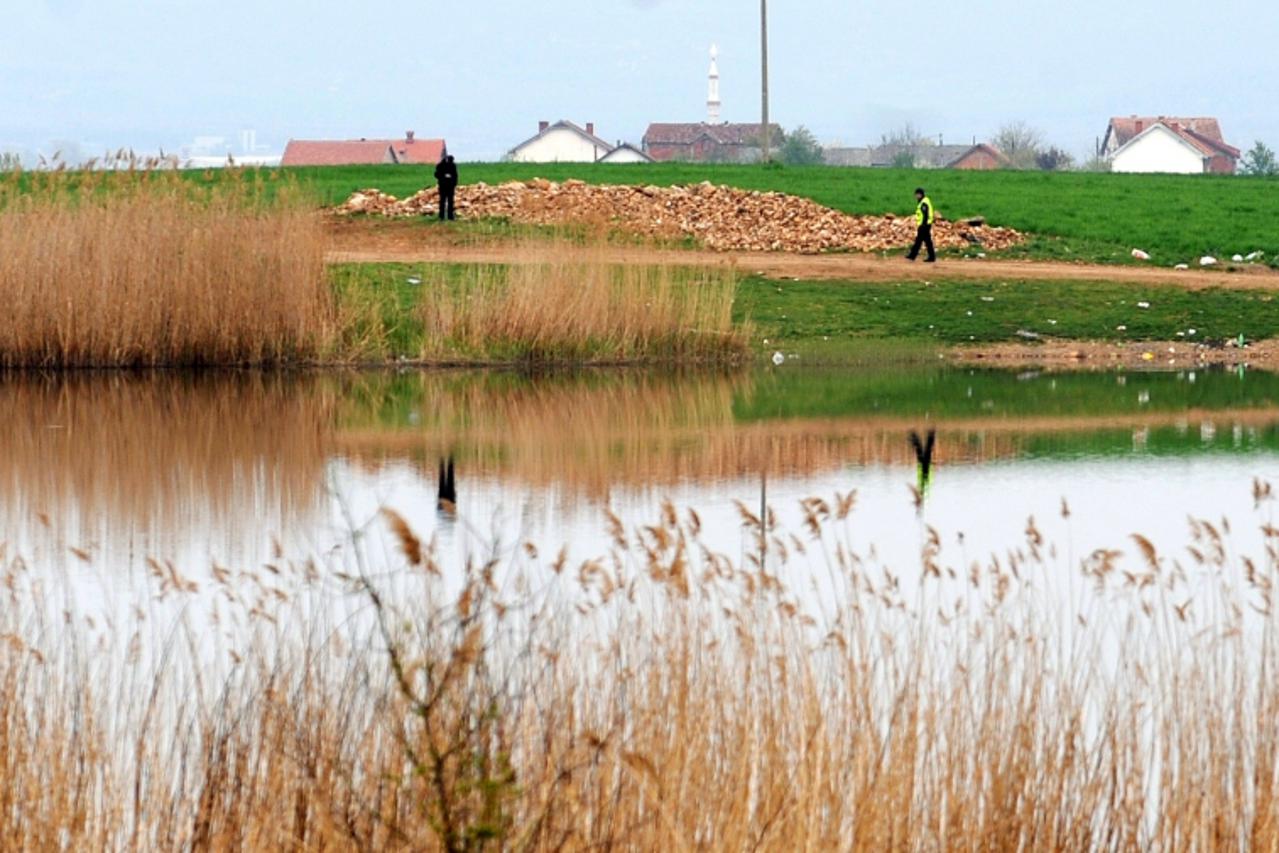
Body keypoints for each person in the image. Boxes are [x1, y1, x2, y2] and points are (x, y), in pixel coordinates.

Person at [906, 187, 936, 262]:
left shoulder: (923, 203)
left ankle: (912, 255)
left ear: (920, 194)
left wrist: (923, 225)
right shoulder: (923, 201)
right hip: (926, 224)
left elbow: (925, 215)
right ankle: (932, 257)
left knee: (919, 241)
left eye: (917, 194)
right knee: (927, 241)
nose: (916, 196)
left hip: (924, 225)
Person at [434, 154, 458, 221]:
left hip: (445, 186)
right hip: (447, 186)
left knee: (444, 201)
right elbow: (455, 176)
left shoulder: (441, 165)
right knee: (448, 201)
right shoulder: (451, 166)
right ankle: (448, 216)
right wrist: (444, 176)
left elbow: (436, 174)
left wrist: (443, 177)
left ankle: (443, 216)